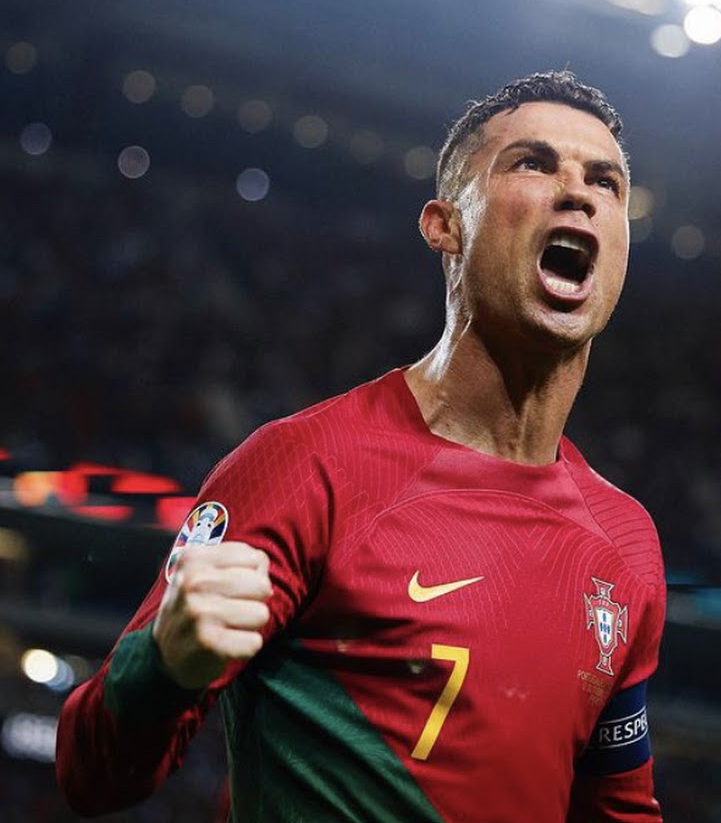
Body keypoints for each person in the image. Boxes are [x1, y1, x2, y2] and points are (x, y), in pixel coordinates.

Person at [56, 70, 666, 822]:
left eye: (605, 182)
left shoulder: (626, 543)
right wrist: (163, 665)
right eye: (533, 164)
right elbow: (90, 773)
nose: (578, 193)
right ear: (445, 225)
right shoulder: (305, 466)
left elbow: (617, 811)